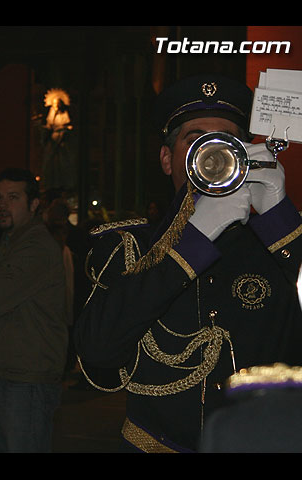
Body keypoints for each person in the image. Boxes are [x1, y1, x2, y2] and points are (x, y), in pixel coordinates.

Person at [73, 73, 302, 452]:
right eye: (195, 139)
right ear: (167, 158)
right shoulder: (130, 246)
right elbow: (97, 352)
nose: (213, 153)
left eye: (227, 141)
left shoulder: (278, 244)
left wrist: (281, 220)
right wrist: (192, 242)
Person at [0, 167, 69, 452]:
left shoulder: (34, 246)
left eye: (13, 198)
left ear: (34, 205)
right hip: (8, 373)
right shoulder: (9, 243)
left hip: (26, 380)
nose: (2, 206)